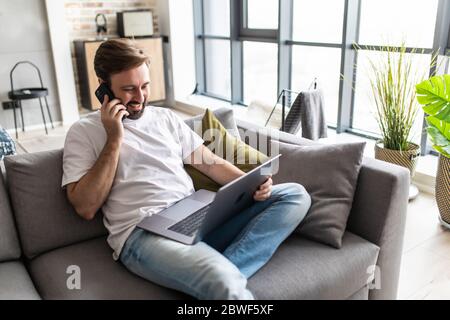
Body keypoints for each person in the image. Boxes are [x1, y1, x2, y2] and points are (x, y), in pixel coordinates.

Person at [62, 38, 311, 300]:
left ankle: (217, 273)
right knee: (224, 283)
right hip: (143, 234)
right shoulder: (84, 132)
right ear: (103, 88)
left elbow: (210, 163)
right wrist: (114, 138)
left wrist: (253, 183)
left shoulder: (165, 118)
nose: (140, 97)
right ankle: (220, 279)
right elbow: (85, 206)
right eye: (129, 89)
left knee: (294, 195)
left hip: (198, 216)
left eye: (145, 86)